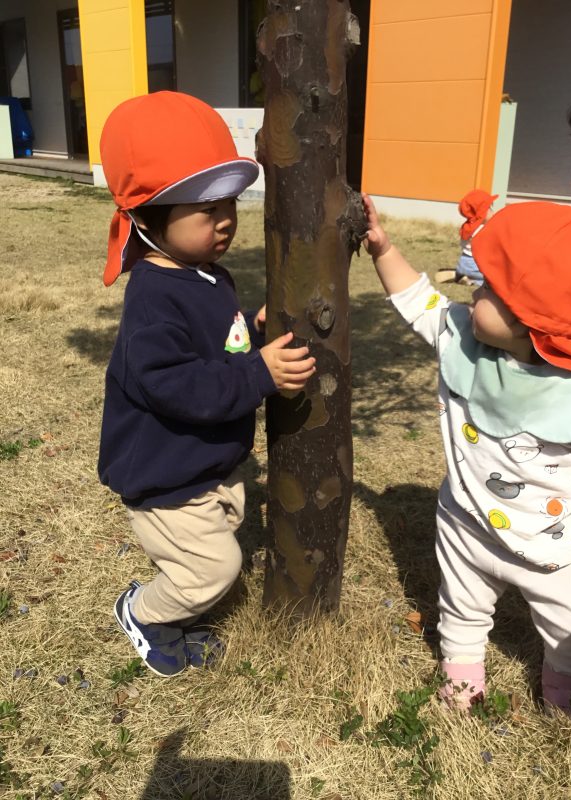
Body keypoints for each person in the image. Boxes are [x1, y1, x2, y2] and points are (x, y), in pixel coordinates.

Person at [98, 91, 316, 677]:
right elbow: (175, 385)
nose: (224, 220)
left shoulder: (208, 275)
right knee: (212, 570)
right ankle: (144, 614)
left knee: (217, 543)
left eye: (229, 203)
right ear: (147, 217)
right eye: (203, 208)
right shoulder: (153, 296)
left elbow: (220, 346)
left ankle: (177, 606)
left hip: (206, 465)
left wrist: (253, 333)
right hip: (166, 474)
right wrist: (259, 374)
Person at [363, 193, 571, 716]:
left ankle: (565, 695)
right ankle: (461, 685)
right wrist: (383, 250)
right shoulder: (464, 340)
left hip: (555, 547)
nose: (474, 288)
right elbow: (419, 301)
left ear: (533, 319)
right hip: (466, 522)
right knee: (460, 609)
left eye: (491, 288)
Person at [435, 189, 496, 287]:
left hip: (463, 261)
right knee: (492, 280)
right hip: (475, 265)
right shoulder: (483, 230)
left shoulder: (468, 227)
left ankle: (460, 275)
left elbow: (464, 245)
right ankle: (470, 280)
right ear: (483, 212)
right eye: (490, 208)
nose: (493, 212)